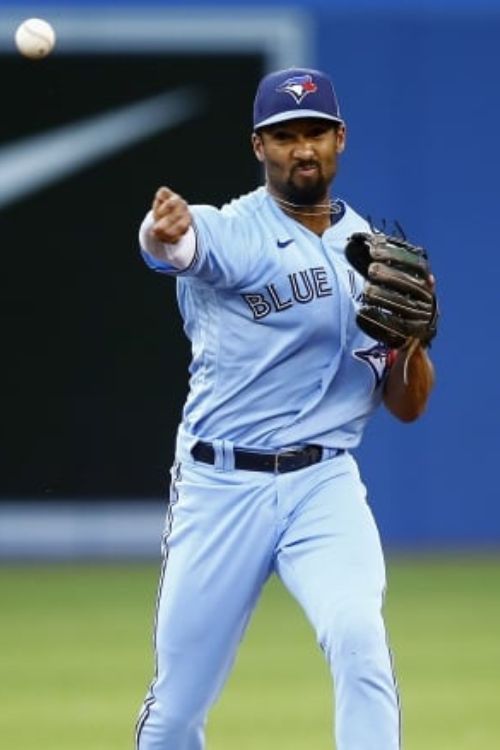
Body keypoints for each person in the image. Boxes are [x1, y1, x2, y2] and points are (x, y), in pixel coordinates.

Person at [135, 67, 436, 750]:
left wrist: (412, 342)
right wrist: (162, 231)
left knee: (359, 635)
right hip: (221, 485)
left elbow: (407, 405)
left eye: (316, 133)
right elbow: (175, 247)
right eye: (285, 135)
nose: (303, 148)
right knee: (176, 713)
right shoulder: (232, 229)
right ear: (258, 147)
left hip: (322, 482)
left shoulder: (374, 255)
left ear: (340, 139)